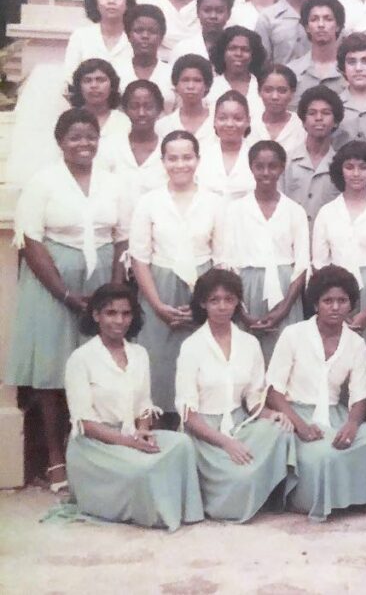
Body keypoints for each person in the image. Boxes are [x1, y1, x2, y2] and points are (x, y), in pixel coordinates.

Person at [8, 109, 130, 493]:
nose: (84, 144)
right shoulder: (43, 182)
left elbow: (122, 237)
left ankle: (93, 453)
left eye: (90, 137)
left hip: (101, 281)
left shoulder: (113, 182)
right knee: (52, 370)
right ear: (60, 142)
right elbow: (30, 240)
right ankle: (54, 458)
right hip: (53, 284)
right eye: (75, 138)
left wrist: (112, 292)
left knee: (97, 368)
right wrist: (64, 293)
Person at [64, 284, 203, 530]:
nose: (119, 320)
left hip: (131, 436)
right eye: (111, 313)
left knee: (182, 444)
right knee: (144, 467)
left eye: (126, 314)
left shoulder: (139, 354)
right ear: (96, 315)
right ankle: (147, 512)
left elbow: (143, 406)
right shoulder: (80, 358)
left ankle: (182, 511)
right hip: (95, 448)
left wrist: (143, 430)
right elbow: (85, 423)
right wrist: (130, 443)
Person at [265, 266, 366, 520]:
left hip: (336, 415)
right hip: (294, 414)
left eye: (342, 301)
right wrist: (300, 426)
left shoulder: (356, 343)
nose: (335, 307)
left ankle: (361, 499)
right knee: (322, 454)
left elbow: (359, 396)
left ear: (351, 305)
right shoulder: (293, 334)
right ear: (316, 304)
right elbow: (273, 391)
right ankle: (310, 501)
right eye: (328, 301)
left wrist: (353, 425)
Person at [175, 268, 296, 523]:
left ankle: (262, 492)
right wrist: (225, 443)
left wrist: (272, 414)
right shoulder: (191, 347)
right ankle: (222, 497)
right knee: (241, 478)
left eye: (229, 299)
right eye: (214, 300)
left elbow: (253, 401)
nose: (222, 306)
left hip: (241, 425)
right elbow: (188, 415)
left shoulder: (249, 343)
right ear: (202, 303)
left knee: (282, 429)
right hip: (205, 433)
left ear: (237, 303)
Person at [130, 130, 223, 417]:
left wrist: (202, 306)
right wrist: (157, 305)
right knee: (157, 363)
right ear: (163, 161)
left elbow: (221, 259)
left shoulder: (214, 201)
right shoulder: (149, 201)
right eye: (173, 158)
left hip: (203, 290)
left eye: (187, 157)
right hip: (159, 288)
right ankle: (158, 429)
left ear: (198, 159)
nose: (180, 164)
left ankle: (197, 430)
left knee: (201, 364)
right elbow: (139, 258)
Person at [312, 140, 366, 410]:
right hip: (335, 292)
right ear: (341, 172)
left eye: (363, 167)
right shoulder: (327, 212)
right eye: (349, 167)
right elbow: (319, 262)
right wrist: (337, 302)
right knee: (339, 356)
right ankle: (339, 417)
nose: (356, 173)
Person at [222, 140, 309, 363]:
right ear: (251, 168)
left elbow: (301, 265)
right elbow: (228, 261)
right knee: (246, 358)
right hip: (245, 289)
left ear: (281, 168)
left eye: (273, 166)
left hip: (285, 289)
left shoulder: (294, 211)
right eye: (259, 166)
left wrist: (284, 309)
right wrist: (241, 311)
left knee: (284, 356)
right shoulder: (236, 210)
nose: (266, 172)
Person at [96, 79, 166, 206]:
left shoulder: (168, 150)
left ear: (160, 109)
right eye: (134, 106)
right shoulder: (109, 147)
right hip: (116, 224)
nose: (141, 113)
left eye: (148, 106)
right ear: (124, 109)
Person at [280, 85, 344, 223]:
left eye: (326, 113)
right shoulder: (286, 160)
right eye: (312, 113)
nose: (319, 118)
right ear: (303, 121)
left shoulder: (342, 165)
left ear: (335, 122)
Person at [65, 0, 136, 79]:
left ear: (127, 3)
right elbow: (70, 77)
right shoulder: (80, 36)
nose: (111, 1)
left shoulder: (135, 37)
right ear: (95, 2)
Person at [195, 91, 257, 200]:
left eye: (237, 118)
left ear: (248, 121)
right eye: (222, 118)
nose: (229, 124)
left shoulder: (258, 157)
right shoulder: (200, 155)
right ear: (214, 121)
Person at [288, 0, 346, 102]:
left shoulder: (351, 71)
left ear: (338, 26)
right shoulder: (292, 71)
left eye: (328, 19)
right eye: (314, 19)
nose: (321, 25)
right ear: (306, 27)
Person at [115, 4, 173, 108]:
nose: (145, 36)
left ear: (161, 36)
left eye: (152, 31)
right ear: (129, 35)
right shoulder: (115, 71)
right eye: (139, 30)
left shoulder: (172, 74)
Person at [169, 0, 236, 65]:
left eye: (219, 11)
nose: (213, 16)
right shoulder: (183, 49)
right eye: (207, 10)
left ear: (229, 14)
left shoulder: (236, 50)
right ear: (197, 11)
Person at [208, 26, 268, 118]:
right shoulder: (210, 87)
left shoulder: (263, 86)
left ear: (254, 55)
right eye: (232, 48)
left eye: (245, 50)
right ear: (222, 52)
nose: (238, 54)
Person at [155, 55, 215, 147]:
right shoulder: (163, 126)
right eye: (185, 80)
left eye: (197, 80)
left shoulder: (217, 122)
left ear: (206, 85)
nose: (190, 86)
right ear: (176, 84)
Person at [67, 58, 131, 140]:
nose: (94, 85)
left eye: (100, 80)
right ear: (79, 87)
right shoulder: (69, 121)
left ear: (112, 85)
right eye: (87, 80)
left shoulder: (125, 122)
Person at [250, 64, 305, 154]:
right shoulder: (249, 124)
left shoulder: (302, 127)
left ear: (292, 93)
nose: (275, 97)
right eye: (268, 90)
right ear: (259, 91)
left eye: (282, 90)